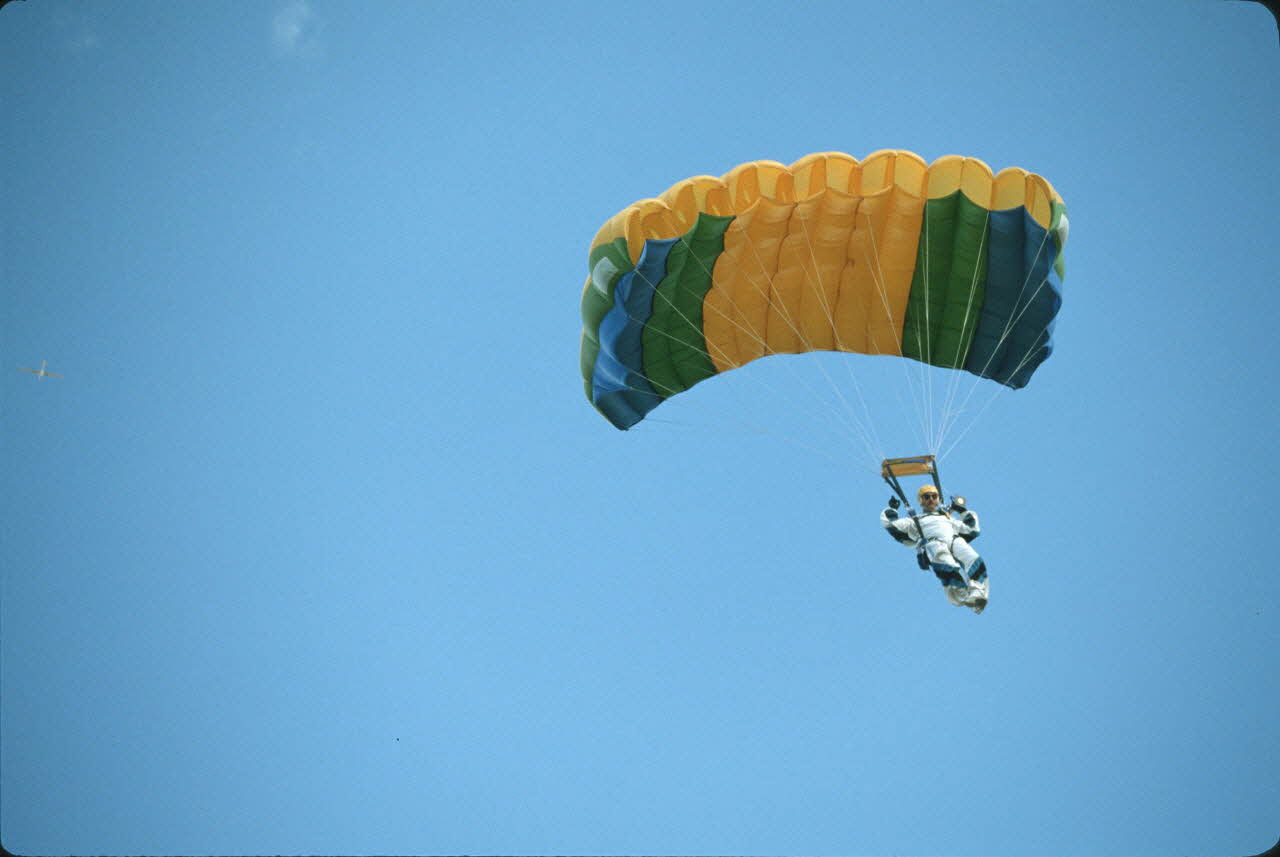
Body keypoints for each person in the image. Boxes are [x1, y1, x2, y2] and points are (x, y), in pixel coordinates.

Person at [881, 484, 988, 613]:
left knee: (973, 558)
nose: (931, 499)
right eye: (926, 497)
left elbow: (972, 529)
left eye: (934, 496)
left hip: (953, 540)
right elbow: (890, 524)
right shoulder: (914, 521)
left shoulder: (947, 518)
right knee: (948, 565)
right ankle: (964, 596)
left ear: (938, 499)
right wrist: (892, 509)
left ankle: (977, 594)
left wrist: (962, 511)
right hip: (934, 545)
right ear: (921, 501)